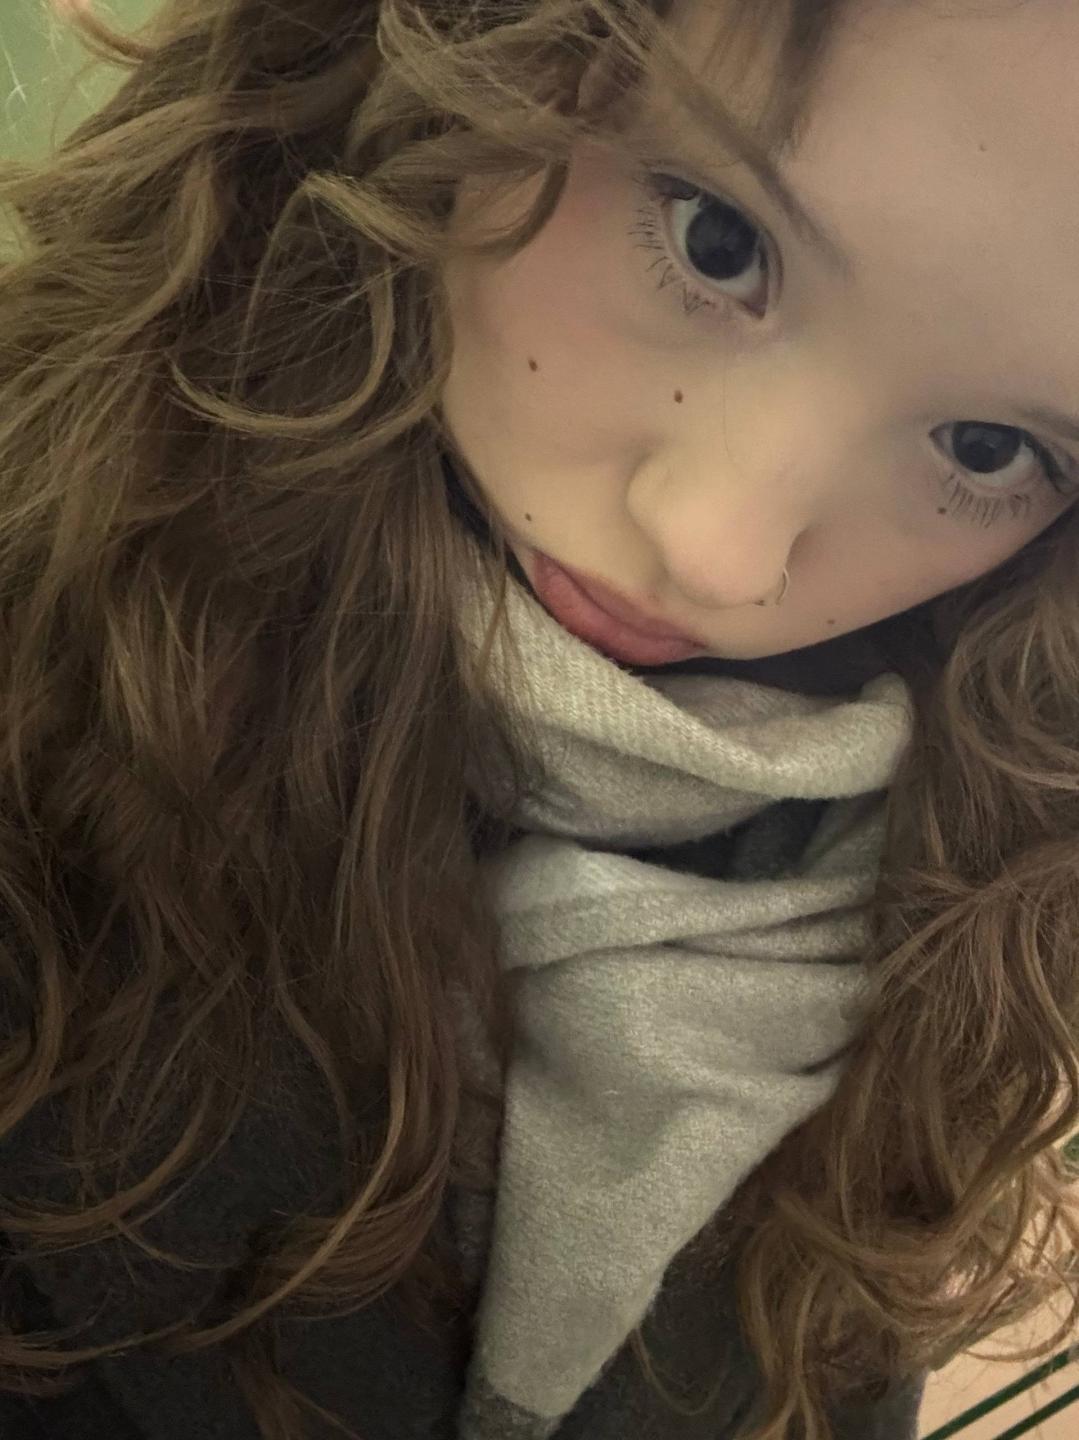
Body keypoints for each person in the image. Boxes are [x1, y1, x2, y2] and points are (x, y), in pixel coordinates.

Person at [2, 0, 1079, 1437]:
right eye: (717, 242)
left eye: (990, 451)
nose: (720, 552)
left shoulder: (952, 884)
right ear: (468, 53)